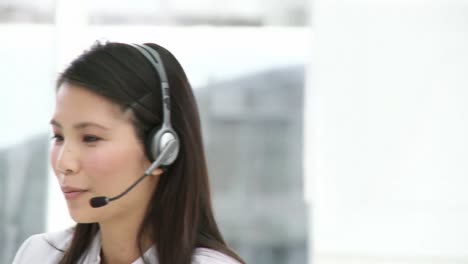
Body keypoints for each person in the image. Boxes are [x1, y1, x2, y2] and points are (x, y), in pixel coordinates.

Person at [12, 41, 245, 264]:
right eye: (59, 137)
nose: (64, 163)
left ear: (162, 150)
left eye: (90, 138)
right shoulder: (41, 255)